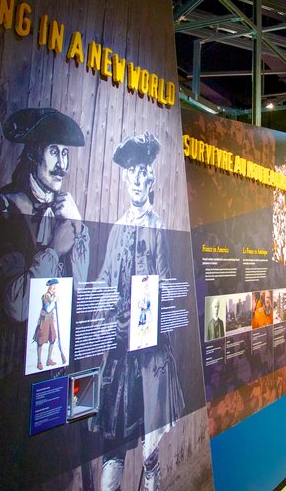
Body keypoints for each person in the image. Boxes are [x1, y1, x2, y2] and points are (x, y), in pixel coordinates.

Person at [0, 107, 89, 381]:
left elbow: (82, 291)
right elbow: (17, 307)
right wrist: (53, 251)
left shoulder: (66, 213)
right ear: (34, 154)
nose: (62, 164)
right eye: (53, 152)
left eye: (65, 154)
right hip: (7, 370)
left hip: (52, 364)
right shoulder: (4, 209)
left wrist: (78, 227)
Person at [95, 131, 182, 491]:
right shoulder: (116, 229)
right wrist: (107, 308)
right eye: (131, 170)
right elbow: (103, 280)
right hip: (119, 354)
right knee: (114, 445)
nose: (137, 178)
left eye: (143, 170)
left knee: (149, 448)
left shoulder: (158, 226)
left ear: (151, 178)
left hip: (148, 354)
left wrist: (144, 316)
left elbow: (164, 282)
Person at [32, 278, 62, 370]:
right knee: (40, 341)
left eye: (55, 286)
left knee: (53, 338)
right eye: (53, 286)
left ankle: (49, 360)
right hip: (44, 321)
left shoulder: (53, 296)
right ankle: (39, 362)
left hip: (50, 320)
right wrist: (54, 301)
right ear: (49, 287)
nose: (54, 287)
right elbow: (47, 309)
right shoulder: (46, 296)